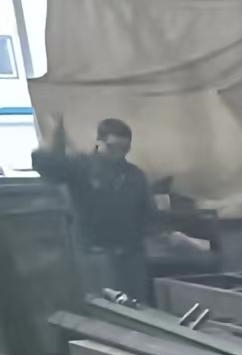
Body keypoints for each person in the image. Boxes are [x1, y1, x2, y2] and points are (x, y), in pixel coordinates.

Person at [32, 116, 155, 302]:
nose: (119, 154)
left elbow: (148, 214)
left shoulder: (135, 175)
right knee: (104, 307)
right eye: (113, 147)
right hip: (95, 257)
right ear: (99, 142)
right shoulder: (79, 167)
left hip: (131, 258)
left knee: (138, 306)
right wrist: (55, 138)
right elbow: (45, 165)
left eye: (124, 148)